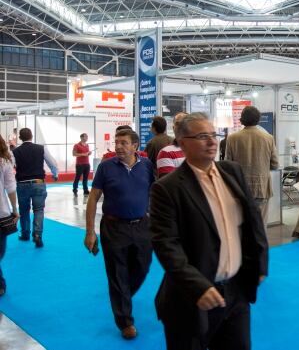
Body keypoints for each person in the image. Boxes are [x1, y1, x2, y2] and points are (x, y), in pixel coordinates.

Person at [149, 113, 268, 350]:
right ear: (183, 143)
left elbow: (253, 220)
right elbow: (166, 245)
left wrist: (260, 263)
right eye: (203, 136)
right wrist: (198, 287)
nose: (212, 141)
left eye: (213, 135)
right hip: (191, 298)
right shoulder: (167, 188)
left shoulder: (232, 171)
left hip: (236, 292)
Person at [83, 129, 154, 340]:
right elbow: (93, 198)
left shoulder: (147, 166)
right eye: (117, 142)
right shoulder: (106, 167)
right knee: (117, 274)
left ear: (135, 146)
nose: (119, 146)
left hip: (142, 226)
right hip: (113, 228)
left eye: (124, 142)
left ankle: (123, 295)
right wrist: (90, 232)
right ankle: (125, 322)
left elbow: (154, 192)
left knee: (142, 267)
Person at [225, 106, 279, 225]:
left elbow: (227, 165)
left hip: (240, 187)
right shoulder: (268, 138)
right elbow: (275, 164)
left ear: (242, 119)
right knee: (260, 224)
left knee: (242, 224)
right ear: (258, 119)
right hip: (261, 187)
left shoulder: (232, 138)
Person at [12, 128, 58, 247]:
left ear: (20, 138)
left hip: (22, 183)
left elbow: (10, 166)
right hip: (38, 183)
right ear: (32, 136)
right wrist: (55, 174)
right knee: (39, 210)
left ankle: (25, 234)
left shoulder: (15, 151)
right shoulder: (41, 148)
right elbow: (52, 163)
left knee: (23, 210)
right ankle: (37, 235)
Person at [0, 135, 18, 297]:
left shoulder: (4, 163)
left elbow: (11, 187)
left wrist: (14, 209)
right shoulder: (4, 162)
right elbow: (11, 188)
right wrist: (15, 210)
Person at [156, 113, 188, 178]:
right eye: (178, 123)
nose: (181, 126)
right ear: (173, 128)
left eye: (185, 122)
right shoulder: (166, 153)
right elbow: (169, 183)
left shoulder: (198, 150)